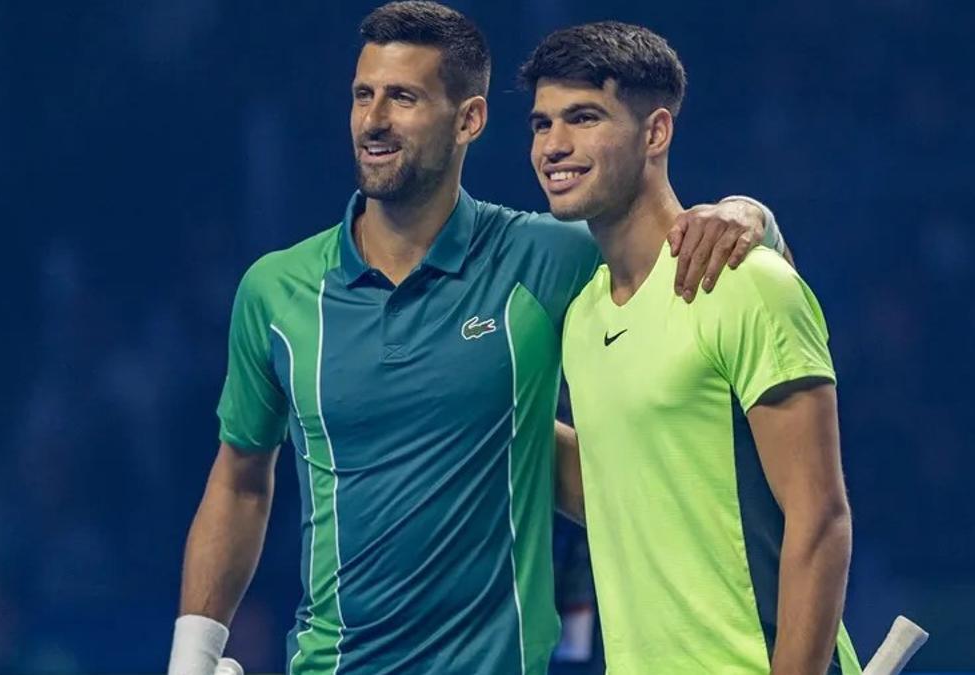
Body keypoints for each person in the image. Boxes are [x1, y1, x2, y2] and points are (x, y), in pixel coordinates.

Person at [168, 3, 786, 674]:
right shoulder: (275, 291)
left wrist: (749, 214)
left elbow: (684, 254)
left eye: (402, 98)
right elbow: (239, 483)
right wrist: (191, 657)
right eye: (362, 96)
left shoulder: (545, 258)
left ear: (469, 119)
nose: (374, 120)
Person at [523, 21, 862, 674]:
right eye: (542, 124)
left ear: (655, 133)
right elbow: (616, 488)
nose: (554, 146)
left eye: (584, 117)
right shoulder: (582, 316)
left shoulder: (747, 282)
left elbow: (820, 520)